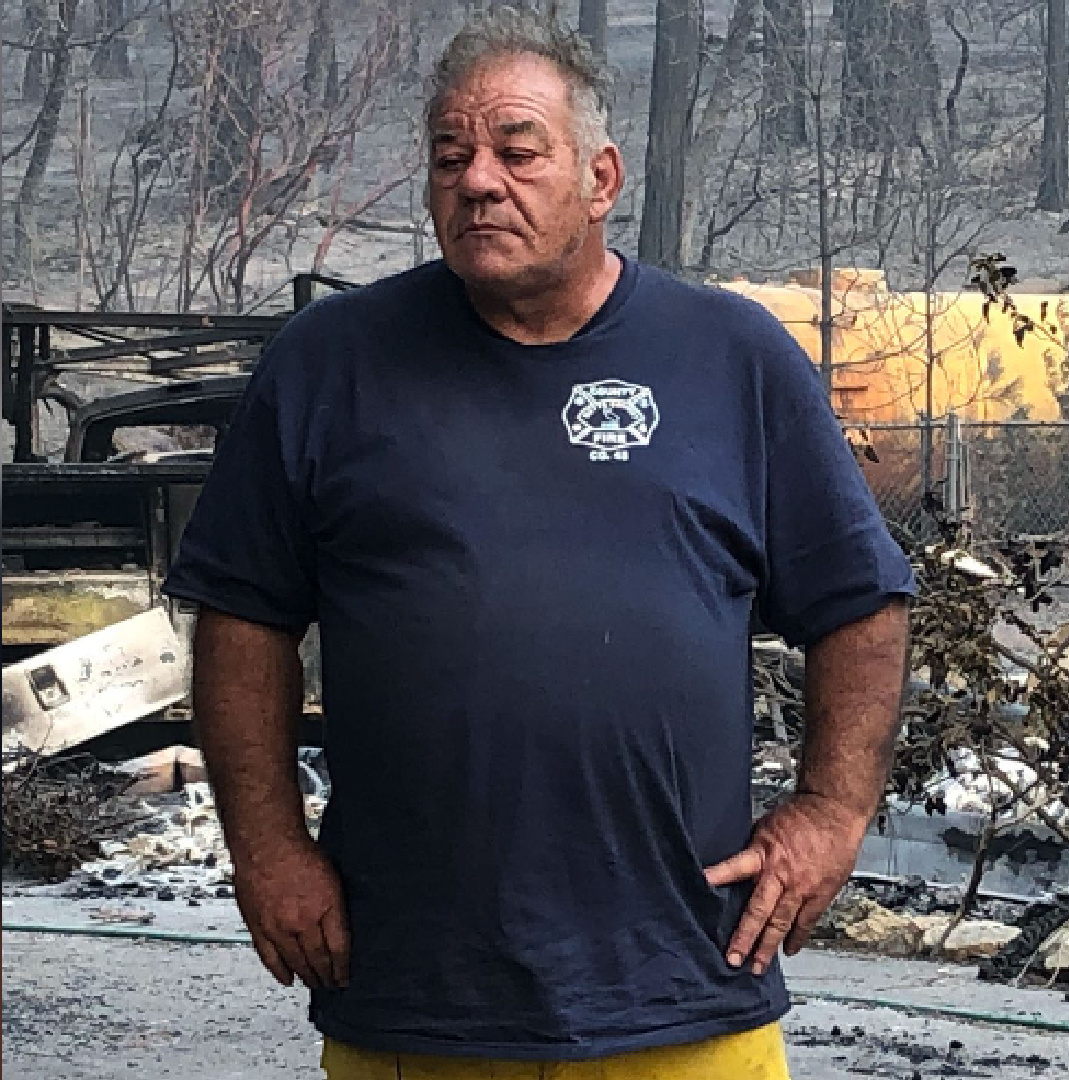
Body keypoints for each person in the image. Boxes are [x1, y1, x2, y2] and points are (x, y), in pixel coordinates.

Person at [163, 10, 914, 1076]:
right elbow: (243, 618)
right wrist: (271, 850)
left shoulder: (729, 357)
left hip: (682, 984)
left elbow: (860, 601)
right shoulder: (330, 364)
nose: (478, 180)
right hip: (413, 990)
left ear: (601, 177)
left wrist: (834, 813)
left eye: (517, 151)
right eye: (450, 157)